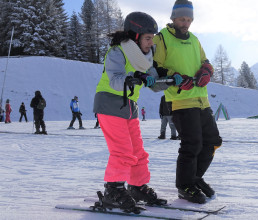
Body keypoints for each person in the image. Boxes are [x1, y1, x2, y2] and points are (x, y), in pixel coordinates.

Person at [92, 11, 165, 212]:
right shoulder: (117, 52)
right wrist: (136, 76)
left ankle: (137, 186)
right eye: (148, 38)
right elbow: (116, 80)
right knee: (122, 151)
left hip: (129, 106)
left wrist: (175, 79)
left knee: (137, 151)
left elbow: (157, 85)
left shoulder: (145, 58)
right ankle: (113, 190)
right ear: (135, 35)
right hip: (109, 103)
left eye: (153, 39)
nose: (151, 43)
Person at [153, 0, 223, 204]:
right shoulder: (162, 38)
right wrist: (175, 76)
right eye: (182, 19)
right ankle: (184, 186)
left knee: (212, 141)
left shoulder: (194, 39)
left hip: (202, 100)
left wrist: (206, 71)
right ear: (173, 18)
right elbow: (155, 67)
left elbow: (205, 62)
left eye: (189, 19)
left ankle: (194, 178)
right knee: (192, 144)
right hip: (180, 100)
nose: (186, 23)